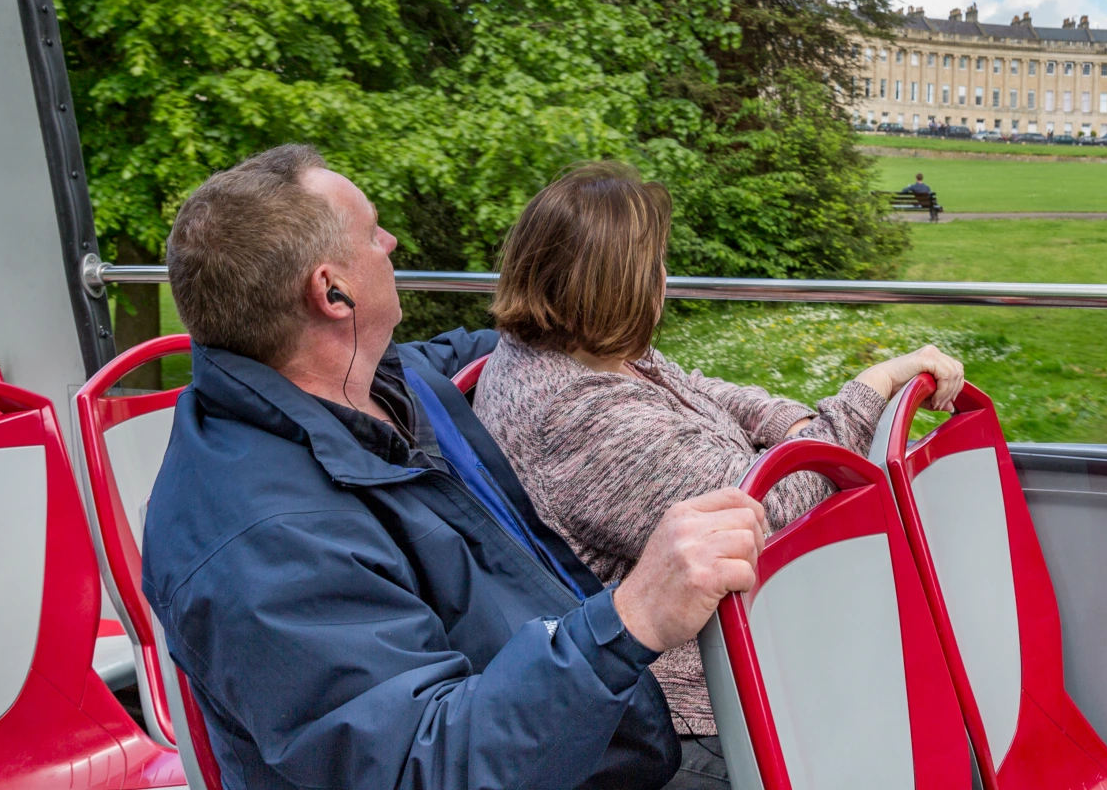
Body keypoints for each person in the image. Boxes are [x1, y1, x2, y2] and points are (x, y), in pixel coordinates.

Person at [142, 145, 767, 790]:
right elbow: (424, 767)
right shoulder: (263, 541)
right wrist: (631, 618)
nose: (391, 240)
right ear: (332, 291)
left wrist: (574, 321)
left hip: (596, 723)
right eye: (372, 230)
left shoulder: (378, 381)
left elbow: (500, 346)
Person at [474, 163, 966, 787]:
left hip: (755, 644)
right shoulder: (579, 416)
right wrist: (876, 384)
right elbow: (776, 512)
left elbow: (713, 393)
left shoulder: (598, 353)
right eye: (654, 263)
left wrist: (796, 426)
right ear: (620, 284)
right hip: (707, 706)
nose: (664, 277)